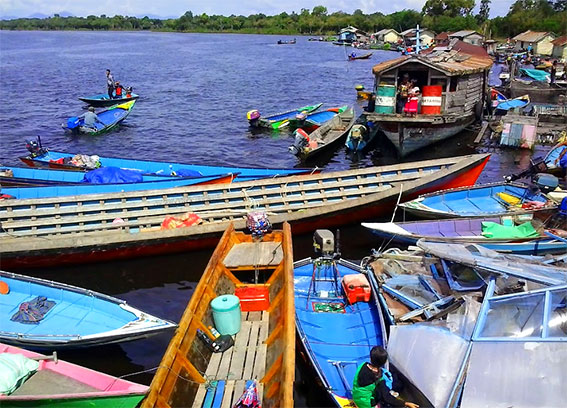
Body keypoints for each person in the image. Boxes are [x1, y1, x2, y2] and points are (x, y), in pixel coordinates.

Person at [352, 346, 419, 408]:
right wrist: (405, 403)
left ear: (370, 358)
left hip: (356, 398)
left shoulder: (362, 365)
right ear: (383, 363)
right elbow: (387, 398)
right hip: (366, 405)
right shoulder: (379, 379)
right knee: (393, 389)